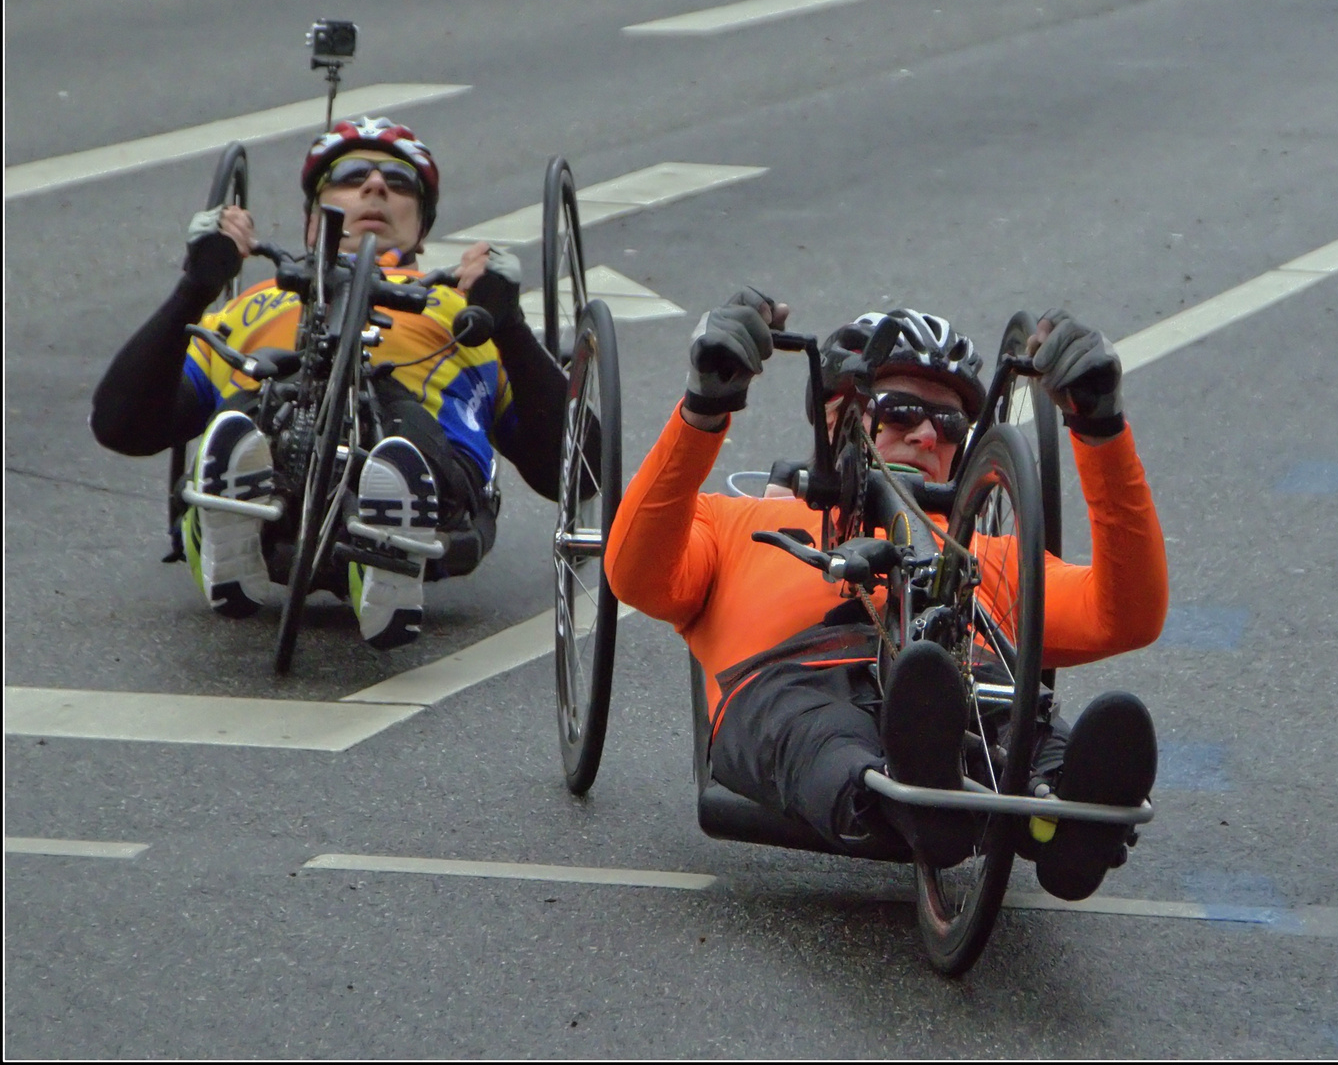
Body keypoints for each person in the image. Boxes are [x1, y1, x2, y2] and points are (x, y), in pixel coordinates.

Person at [605, 289, 1168, 902]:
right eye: (900, 412)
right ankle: (912, 797)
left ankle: (1066, 815)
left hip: (956, 689)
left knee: (1020, 723)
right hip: (792, 687)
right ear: (837, 415)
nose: (927, 435)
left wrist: (1101, 427)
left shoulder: (986, 557)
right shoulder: (736, 522)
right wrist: (704, 409)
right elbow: (635, 576)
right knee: (823, 736)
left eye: (950, 424)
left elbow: (1127, 616)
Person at [90, 117, 569, 650]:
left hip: (433, 482)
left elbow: (574, 470)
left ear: (422, 227)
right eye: (351, 174)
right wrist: (193, 288)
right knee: (265, 390)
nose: (375, 186)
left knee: (398, 422)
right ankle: (230, 518)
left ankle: (389, 525)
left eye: (400, 182)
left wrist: (513, 327)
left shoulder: (463, 309)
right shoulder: (253, 302)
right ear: (312, 220)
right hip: (275, 451)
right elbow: (121, 426)